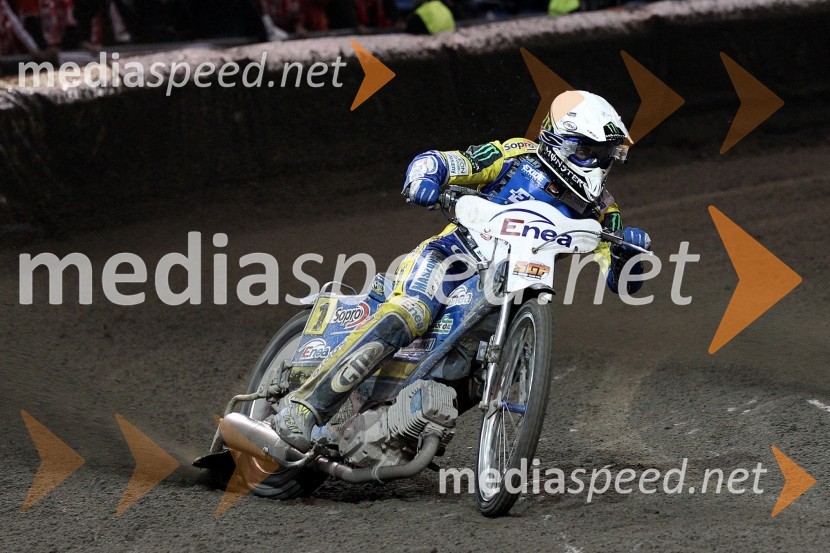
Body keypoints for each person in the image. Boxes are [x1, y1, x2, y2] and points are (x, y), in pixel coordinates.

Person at [276, 90, 652, 451]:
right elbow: (440, 161)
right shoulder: (515, 157)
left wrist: (630, 256)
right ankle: (304, 408)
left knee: (470, 370)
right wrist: (424, 179)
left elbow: (622, 283)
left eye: (606, 157)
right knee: (411, 312)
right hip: (452, 257)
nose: (598, 165)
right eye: (589, 152)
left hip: (510, 291)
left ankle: (397, 427)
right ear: (560, 142)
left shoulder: (603, 211)